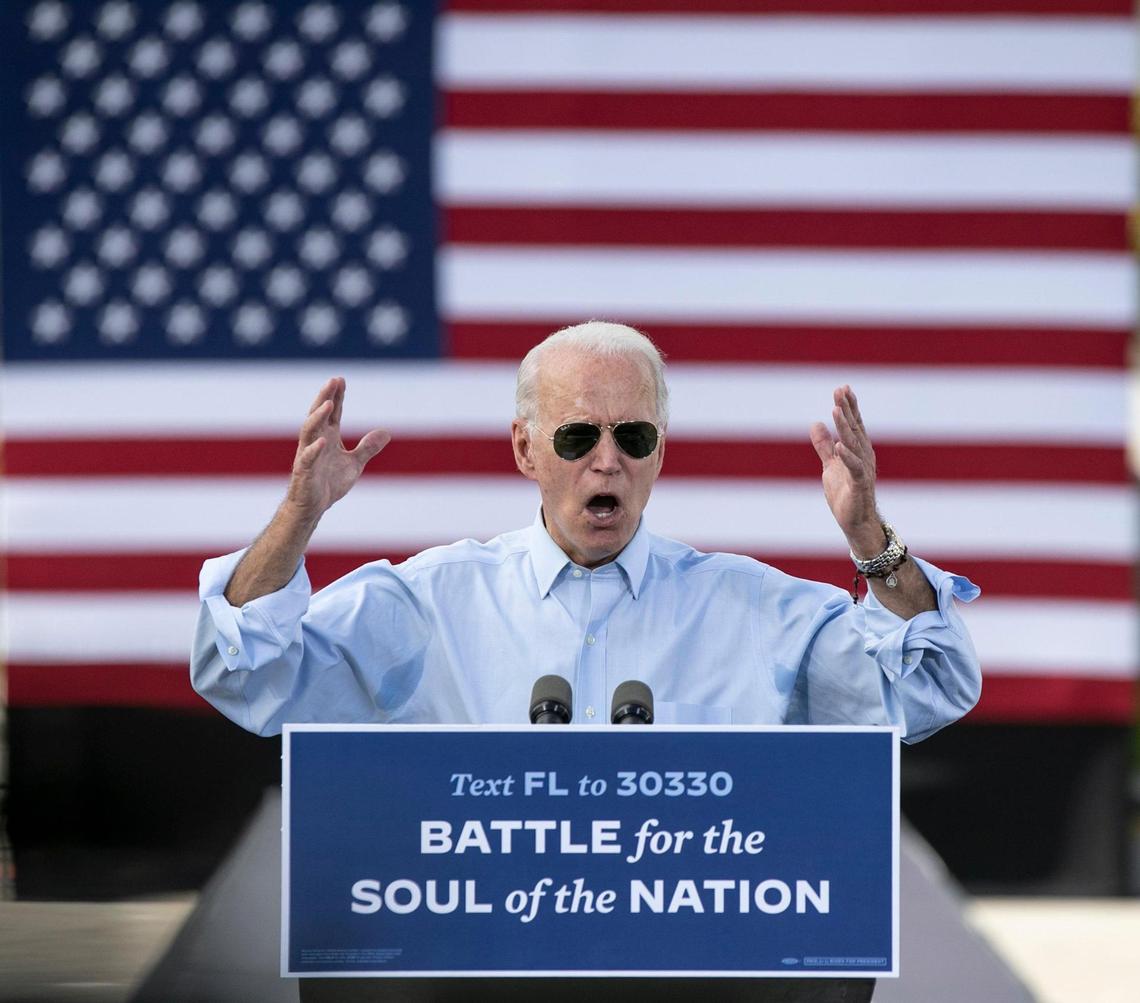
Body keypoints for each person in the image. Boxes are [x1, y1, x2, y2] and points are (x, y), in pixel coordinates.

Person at [192, 321, 980, 739]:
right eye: (578, 438)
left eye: (633, 437)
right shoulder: (428, 603)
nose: (607, 462)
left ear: (660, 451)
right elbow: (245, 675)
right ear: (525, 449)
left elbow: (928, 688)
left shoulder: (751, 610)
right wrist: (298, 516)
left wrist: (870, 539)